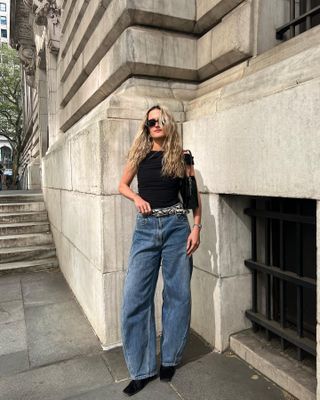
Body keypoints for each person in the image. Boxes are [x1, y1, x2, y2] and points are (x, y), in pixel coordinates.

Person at [118, 105, 202, 396]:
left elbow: (192, 195)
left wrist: (196, 227)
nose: (155, 124)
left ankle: (169, 359)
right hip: (146, 228)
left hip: (178, 227)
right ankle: (141, 370)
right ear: (146, 127)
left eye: (159, 120)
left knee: (177, 295)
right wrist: (137, 198)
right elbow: (122, 185)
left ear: (168, 123)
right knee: (134, 298)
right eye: (150, 121)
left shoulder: (180, 156)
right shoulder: (139, 155)